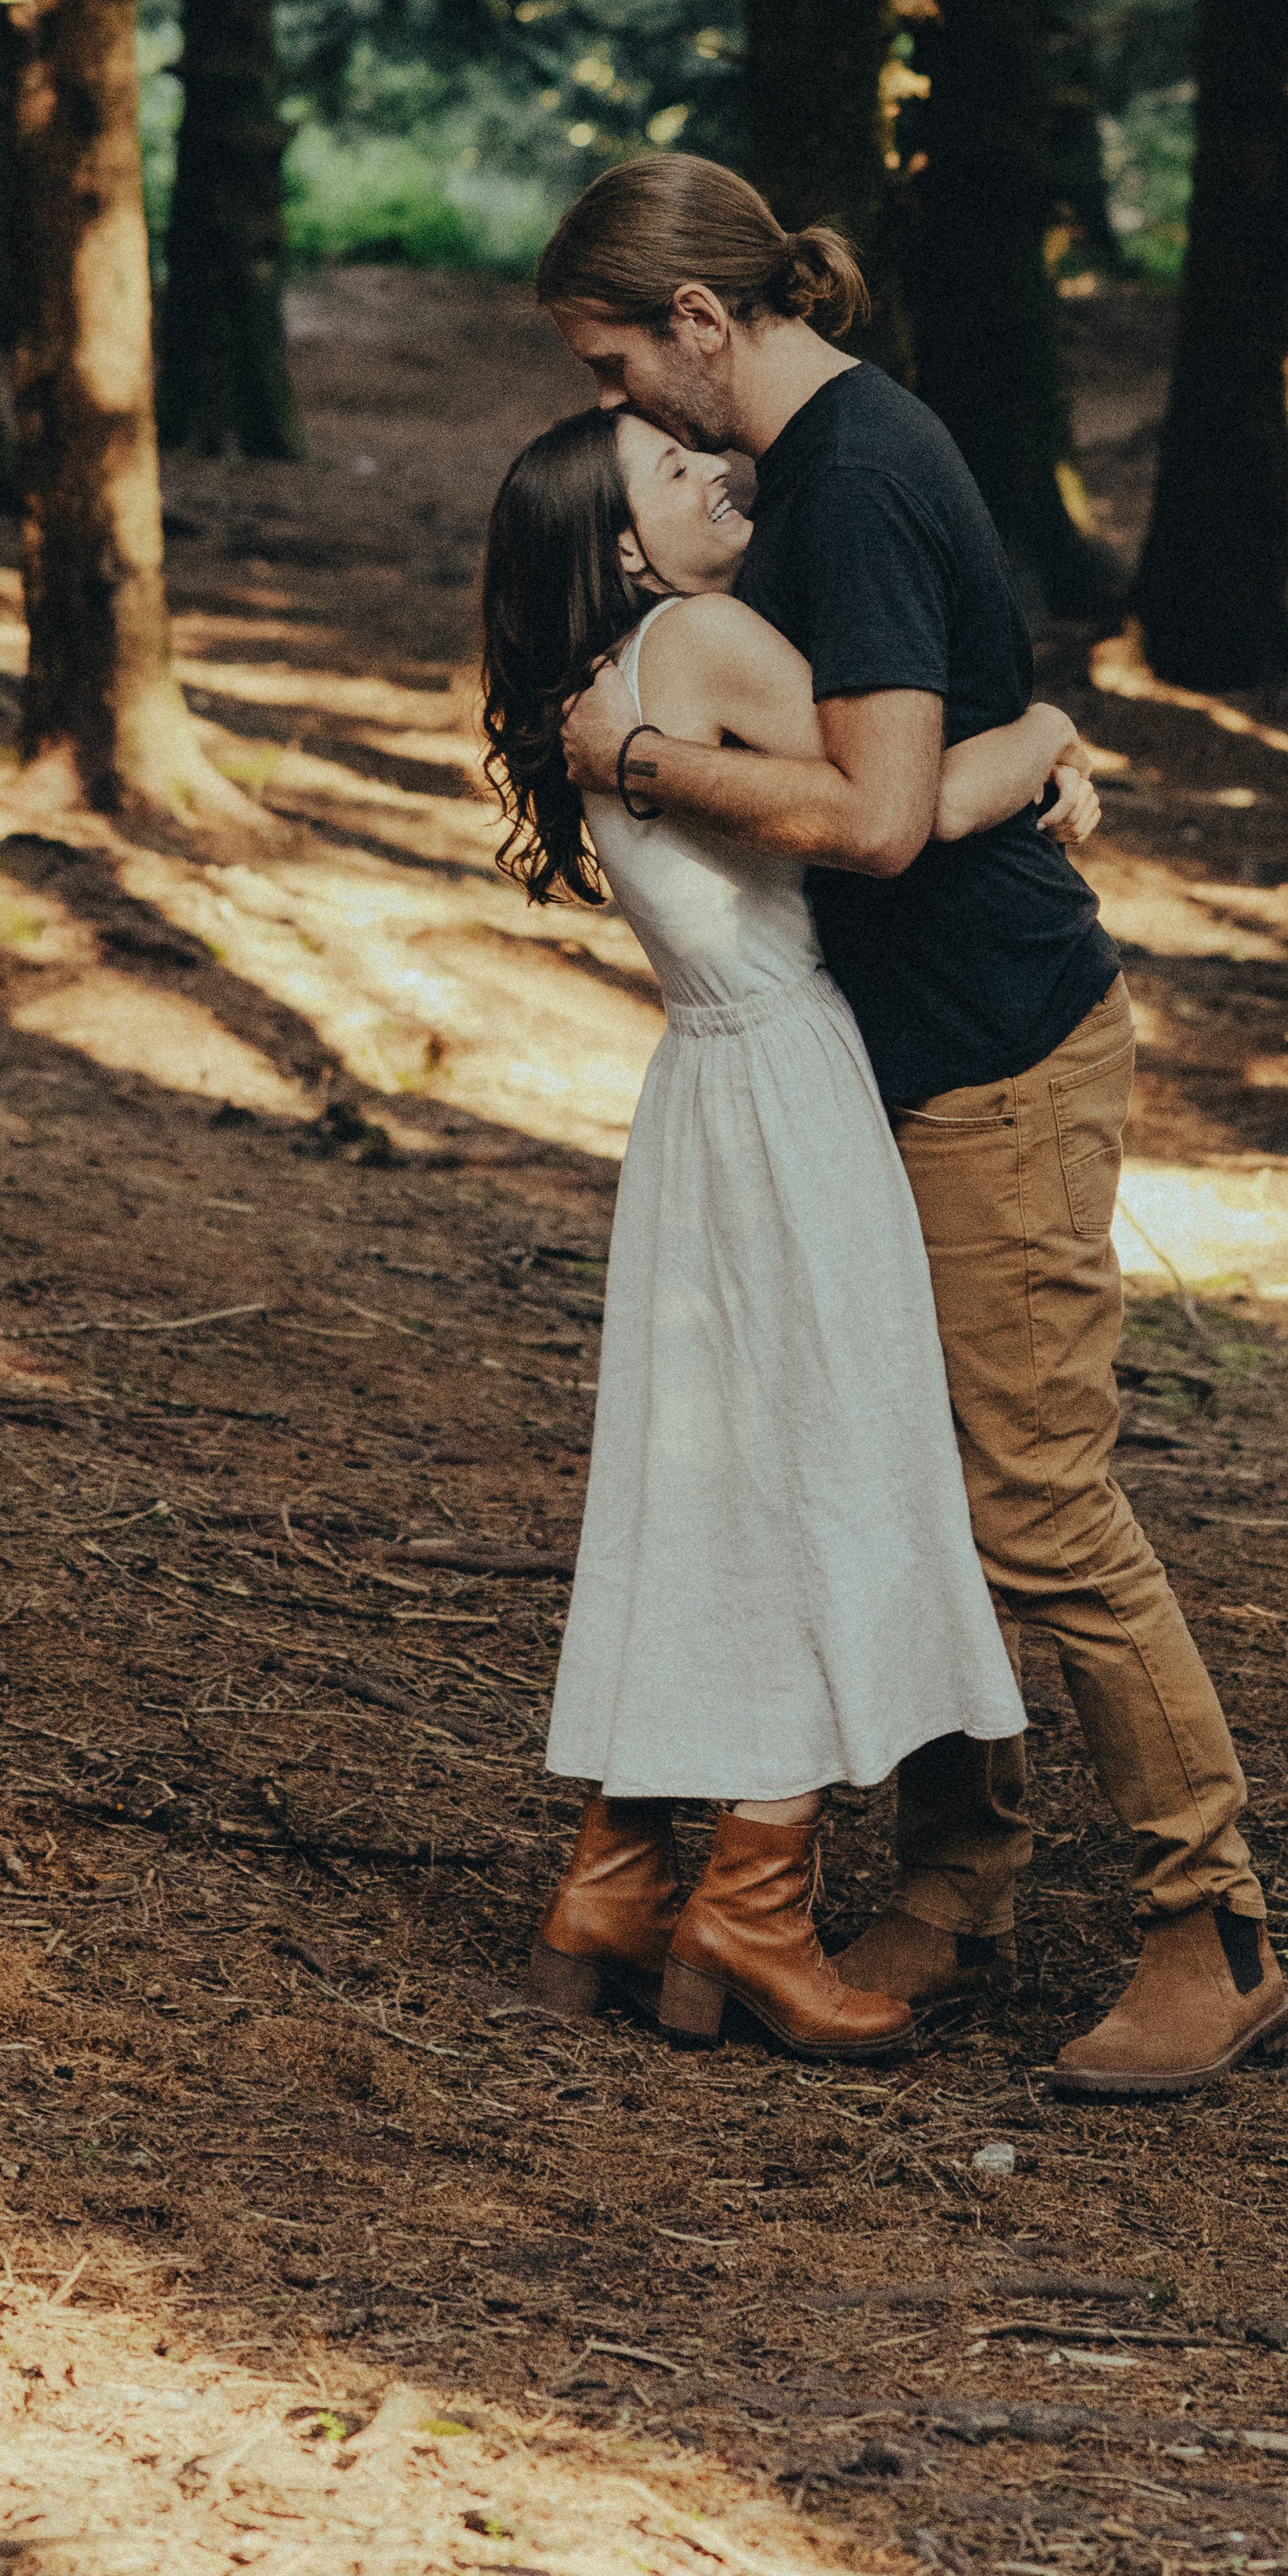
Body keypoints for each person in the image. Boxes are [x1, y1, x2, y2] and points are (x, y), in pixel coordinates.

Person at [537, 153, 1288, 2102]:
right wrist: (1028, 743)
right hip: (868, 1059)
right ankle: (957, 1886)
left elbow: (875, 817)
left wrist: (641, 757)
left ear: (706, 324)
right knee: (899, 1460)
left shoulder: (859, 473)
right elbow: (913, 743)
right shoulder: (785, 488)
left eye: (621, 365)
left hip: (996, 1051)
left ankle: (1211, 1932)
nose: (618, 408)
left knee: (1035, 1501)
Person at [478, 404, 1079, 2058]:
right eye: (673, 474)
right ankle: (749, 1904)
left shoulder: (603, 679)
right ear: (619, 545)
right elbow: (899, 808)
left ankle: (620, 1874)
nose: (721, 476)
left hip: (701, 1095)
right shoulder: (710, 642)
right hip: (793, 1086)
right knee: (837, 1481)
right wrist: (1048, 739)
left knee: (715, 1497)